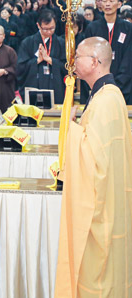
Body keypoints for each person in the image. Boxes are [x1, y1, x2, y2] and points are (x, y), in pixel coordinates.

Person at [55, 36, 132, 298]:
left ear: (95, 62)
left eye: (78, 56)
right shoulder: (104, 95)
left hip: (103, 205)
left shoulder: (106, 100)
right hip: (106, 196)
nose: (73, 61)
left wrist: (72, 127)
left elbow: (94, 157)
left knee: (98, 271)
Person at [83, 0, 132, 104]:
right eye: (104, 0)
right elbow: (87, 56)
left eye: (111, 0)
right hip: (97, 84)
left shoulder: (128, 28)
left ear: (119, 4)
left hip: (123, 85)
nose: (107, 4)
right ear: (100, 4)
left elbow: (129, 58)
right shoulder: (92, 28)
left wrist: (117, 84)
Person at [17, 10, 67, 103]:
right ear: (38, 26)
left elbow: (67, 67)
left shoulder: (61, 43)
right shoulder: (27, 42)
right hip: (34, 83)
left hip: (55, 85)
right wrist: (36, 61)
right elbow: (20, 68)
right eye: (45, 29)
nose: (49, 32)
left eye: (52, 28)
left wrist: (50, 60)